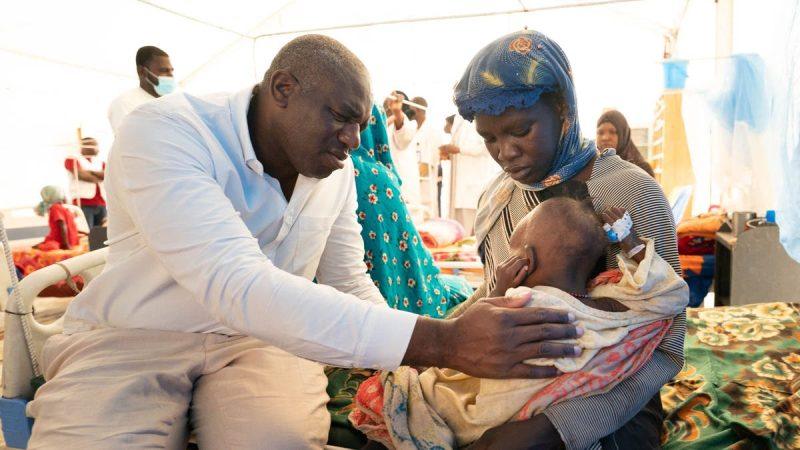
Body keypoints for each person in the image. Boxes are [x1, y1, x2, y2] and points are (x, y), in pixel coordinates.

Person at [27, 34, 583, 448]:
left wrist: (417, 368)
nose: (353, 140)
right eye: (341, 118)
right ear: (283, 89)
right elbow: (236, 284)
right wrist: (443, 341)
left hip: (262, 343)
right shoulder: (167, 132)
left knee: (279, 442)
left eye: (360, 124)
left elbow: (348, 281)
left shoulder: (336, 171)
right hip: (134, 335)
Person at [448, 30, 685, 449]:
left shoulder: (629, 192)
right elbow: (492, 293)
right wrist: (439, 339)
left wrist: (555, 426)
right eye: (490, 138)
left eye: (520, 130)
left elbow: (667, 345)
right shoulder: (497, 198)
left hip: (609, 391)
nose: (505, 152)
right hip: (511, 377)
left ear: (562, 109)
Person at [350, 198, 688, 449]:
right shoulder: (608, 306)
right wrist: (632, 244)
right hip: (537, 412)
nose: (506, 150)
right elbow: (669, 296)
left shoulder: (520, 302)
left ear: (526, 260)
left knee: (415, 386)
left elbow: (472, 337)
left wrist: (497, 292)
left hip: (491, 415)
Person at [439, 114, 498, 234]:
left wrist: (459, 149)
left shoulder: (481, 117)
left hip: (473, 187)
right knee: (457, 230)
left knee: (472, 230)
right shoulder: (458, 119)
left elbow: (484, 147)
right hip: (457, 188)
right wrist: (449, 153)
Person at [107, 45, 175, 134]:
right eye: (164, 70)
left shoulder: (172, 103)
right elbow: (128, 139)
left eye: (171, 71)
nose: (171, 75)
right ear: (142, 71)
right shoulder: (124, 103)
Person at [385, 91, 423, 220]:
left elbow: (403, 137)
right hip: (388, 187)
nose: (387, 106)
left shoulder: (409, 124)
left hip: (403, 190)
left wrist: (397, 112)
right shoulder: (385, 123)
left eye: (391, 103)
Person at [596, 109, 655, 177]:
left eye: (612, 132)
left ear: (623, 136)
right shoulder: (592, 169)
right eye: (600, 132)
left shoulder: (642, 170)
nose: (605, 138)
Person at [64, 137, 106, 227]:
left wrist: (90, 172)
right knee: (87, 230)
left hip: (101, 202)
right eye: (94, 145)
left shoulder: (101, 162)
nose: (97, 148)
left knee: (103, 232)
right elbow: (81, 175)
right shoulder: (72, 159)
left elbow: (106, 175)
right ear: (86, 146)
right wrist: (98, 176)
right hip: (83, 202)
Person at [34, 186, 80, 251]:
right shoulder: (56, 208)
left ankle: (39, 246)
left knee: (47, 245)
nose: (66, 197)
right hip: (59, 241)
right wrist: (65, 245)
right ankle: (38, 247)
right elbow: (62, 225)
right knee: (50, 246)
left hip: (66, 241)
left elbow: (70, 225)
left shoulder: (64, 209)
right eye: (64, 195)